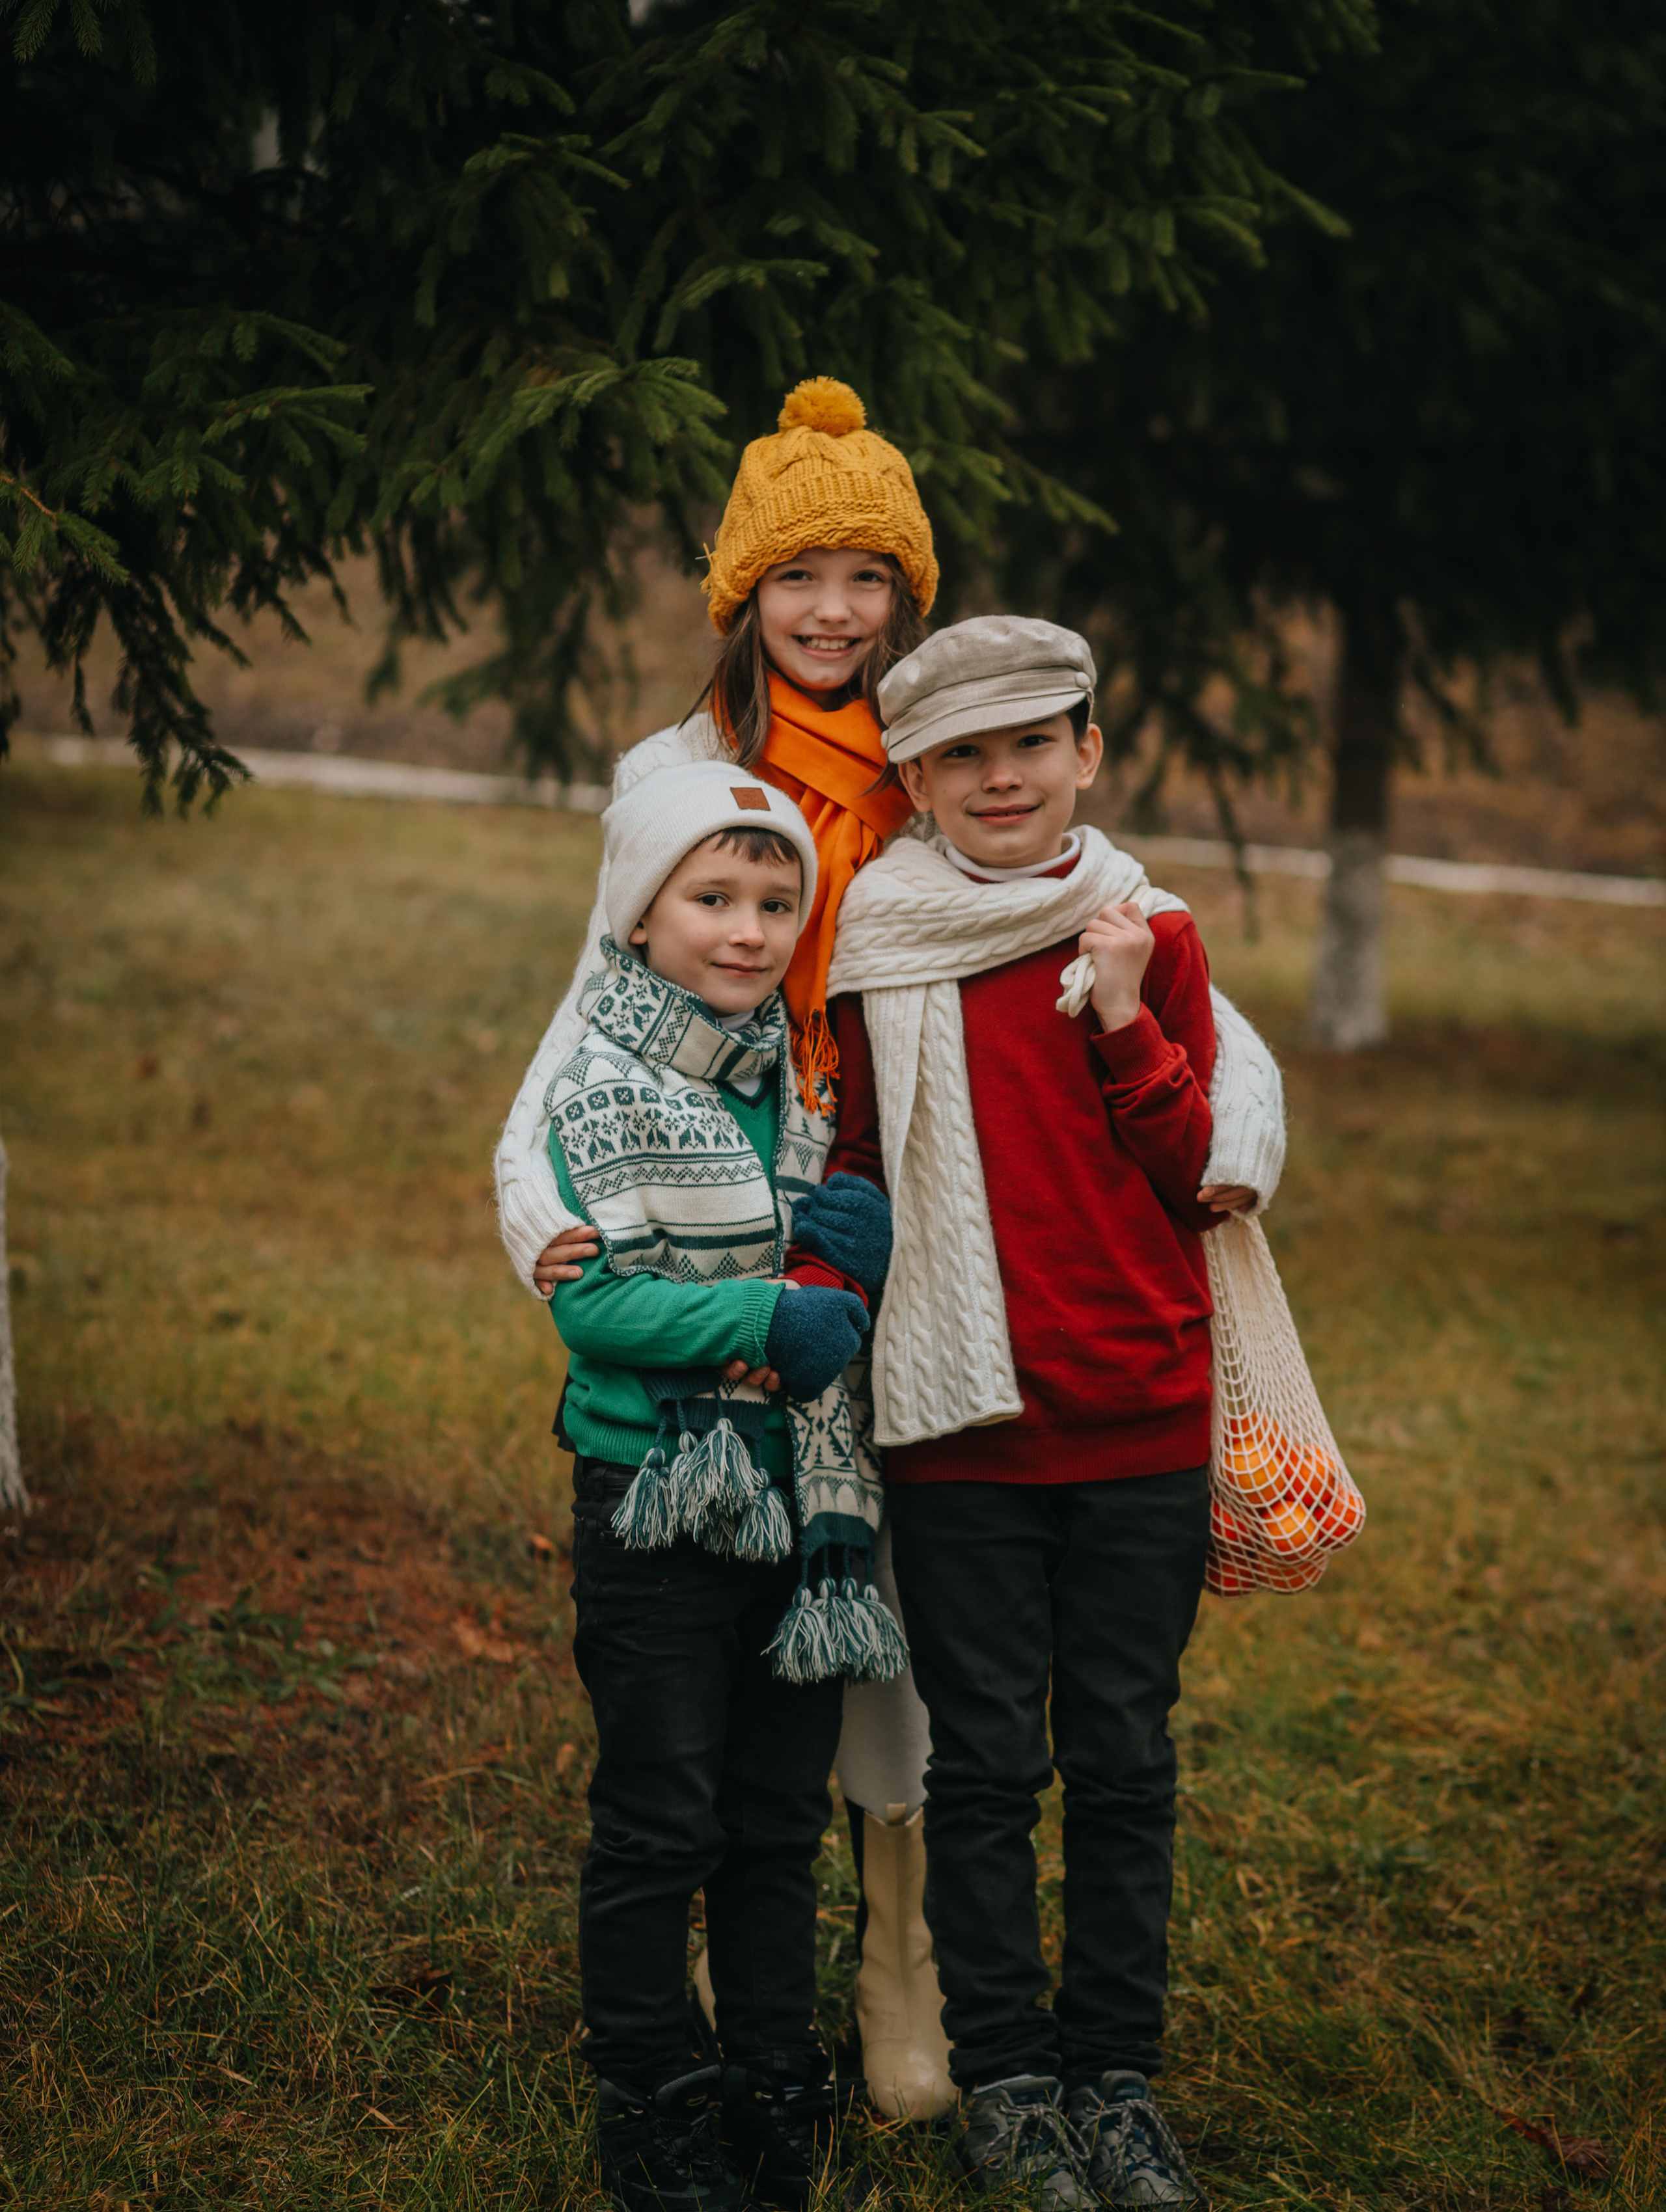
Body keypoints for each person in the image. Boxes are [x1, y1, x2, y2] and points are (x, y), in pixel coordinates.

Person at [495, 378, 1287, 2123]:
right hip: (745, 1209)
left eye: (868, 574)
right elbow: (588, 1018)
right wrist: (537, 1208)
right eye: (800, 578)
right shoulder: (679, 782)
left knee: (927, 1638)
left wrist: (1235, 1132)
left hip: (939, 1221)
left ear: (907, 596)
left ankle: (903, 1961)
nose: (836, 609)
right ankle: (729, 1942)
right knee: (764, 1596)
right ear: (744, 596)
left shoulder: (956, 769)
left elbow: (1125, 935)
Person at [819, 615, 1245, 2209]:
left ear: (1086, 750)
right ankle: (1006, 2071)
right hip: (957, 1430)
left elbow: (1195, 1170)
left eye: (1030, 745)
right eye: (961, 755)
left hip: (1135, 1407)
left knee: (1122, 1752)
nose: (1001, 778)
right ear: (915, 779)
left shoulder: (1146, 930)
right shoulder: (880, 939)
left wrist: (1126, 1013)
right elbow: (859, 1155)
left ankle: (1113, 2072)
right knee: (984, 1761)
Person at [550, 759, 902, 2212]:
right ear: (640, 914)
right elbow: (598, 1308)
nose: (747, 930)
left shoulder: (795, 1082)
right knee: (661, 1808)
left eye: (773, 901)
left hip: (798, 1509)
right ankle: (651, 2088)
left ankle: (770, 2064)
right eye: (712, 897)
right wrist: (766, 1317)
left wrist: (841, 1251)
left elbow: (831, 1250)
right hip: (654, 1503)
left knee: (774, 1809)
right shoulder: (598, 1078)